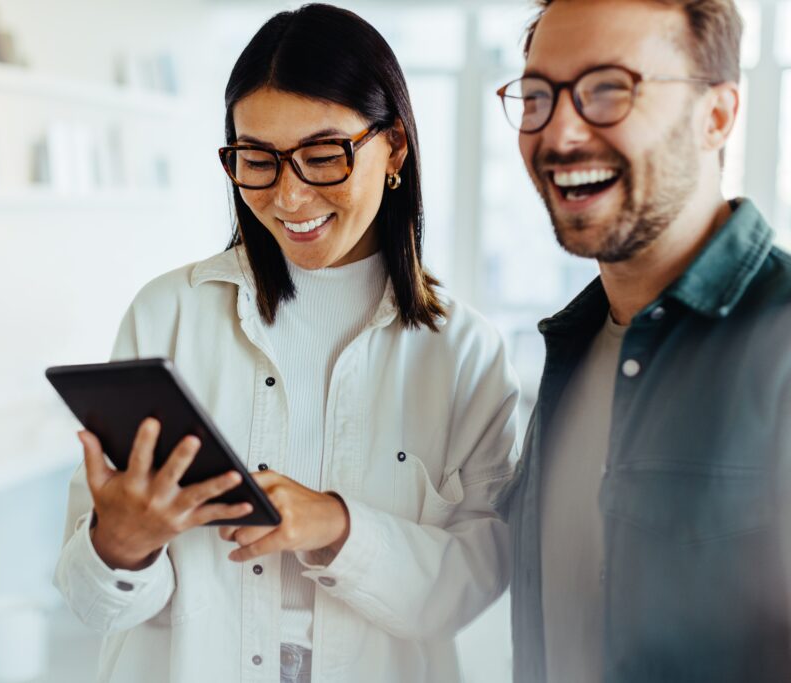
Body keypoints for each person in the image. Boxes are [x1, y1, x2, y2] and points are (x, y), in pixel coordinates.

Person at [54, 4, 519, 682]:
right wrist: (119, 546)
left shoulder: (465, 351)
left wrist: (337, 526)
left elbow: (474, 582)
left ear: (393, 148)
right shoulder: (167, 314)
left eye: (324, 157)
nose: (290, 195)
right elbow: (93, 606)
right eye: (257, 161)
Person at [495, 0, 791, 681]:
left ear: (715, 117)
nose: (561, 132)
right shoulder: (574, 344)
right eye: (538, 95)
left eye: (608, 90)